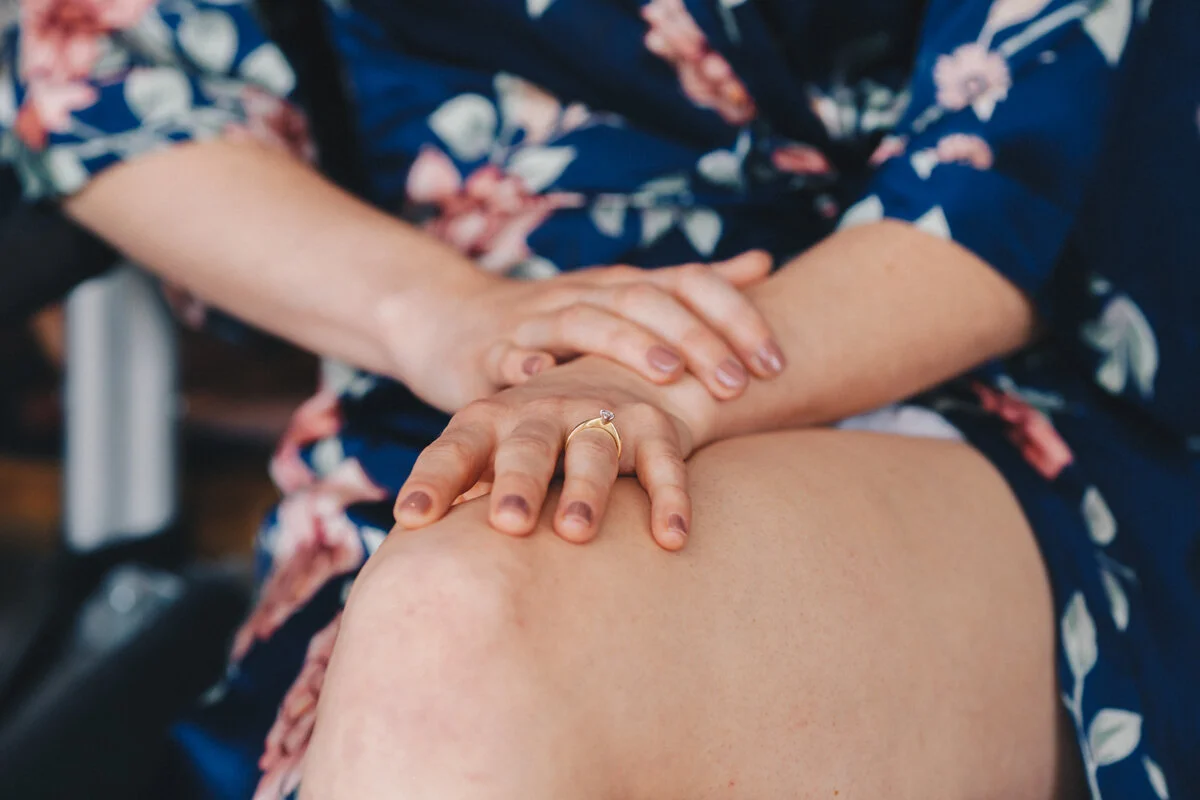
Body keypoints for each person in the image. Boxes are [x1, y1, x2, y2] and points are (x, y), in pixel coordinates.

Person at [2, 0, 1197, 797]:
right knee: (445, 607)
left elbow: (1018, 172)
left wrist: (648, 376)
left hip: (948, 379)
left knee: (465, 619)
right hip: (444, 381)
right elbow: (102, 70)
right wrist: (444, 312)